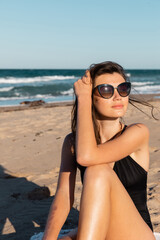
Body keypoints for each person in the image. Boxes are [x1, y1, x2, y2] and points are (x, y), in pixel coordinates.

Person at [43, 61, 156, 240]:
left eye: (123, 88)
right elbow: (64, 196)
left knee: (97, 171)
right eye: (106, 90)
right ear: (92, 97)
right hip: (98, 228)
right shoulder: (72, 142)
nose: (118, 96)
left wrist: (83, 98)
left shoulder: (138, 132)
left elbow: (88, 157)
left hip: (137, 233)